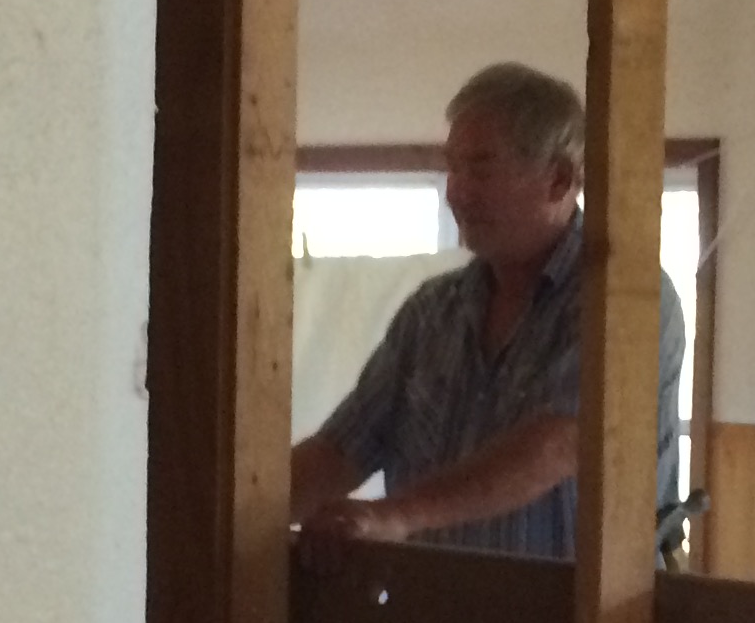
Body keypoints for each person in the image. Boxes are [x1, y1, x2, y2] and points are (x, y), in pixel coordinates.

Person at [291, 62, 686, 559]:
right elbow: (342, 449)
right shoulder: (432, 312)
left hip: (578, 607)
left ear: (559, 179)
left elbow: (559, 445)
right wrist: (233, 512)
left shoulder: (626, 302)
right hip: (434, 600)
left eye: (480, 169)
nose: (455, 192)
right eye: (452, 168)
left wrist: (397, 515)